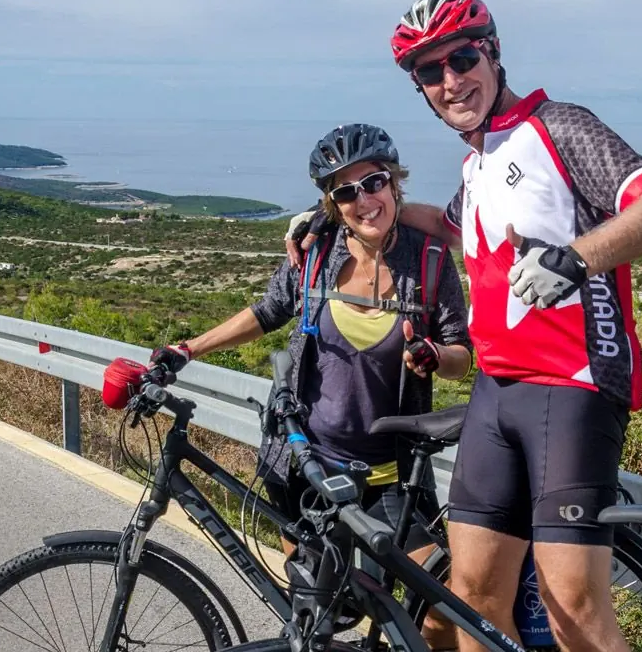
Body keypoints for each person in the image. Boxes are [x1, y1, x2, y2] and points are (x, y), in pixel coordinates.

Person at [290, 0, 642, 652]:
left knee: (574, 607)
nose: (451, 80)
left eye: (462, 58)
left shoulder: (557, 128)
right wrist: (327, 215)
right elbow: (447, 225)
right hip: (497, 394)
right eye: (431, 72)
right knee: (471, 603)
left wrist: (575, 260)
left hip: (573, 389)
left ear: (493, 53)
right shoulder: (479, 164)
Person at [149, 123, 473, 595]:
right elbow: (268, 312)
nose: (364, 201)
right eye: (346, 192)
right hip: (307, 466)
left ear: (394, 182)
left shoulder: (428, 260)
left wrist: (433, 355)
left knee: (441, 603)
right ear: (332, 205)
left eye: (374, 182)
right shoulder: (315, 253)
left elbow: (461, 357)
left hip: (391, 475)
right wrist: (189, 347)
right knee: (317, 607)